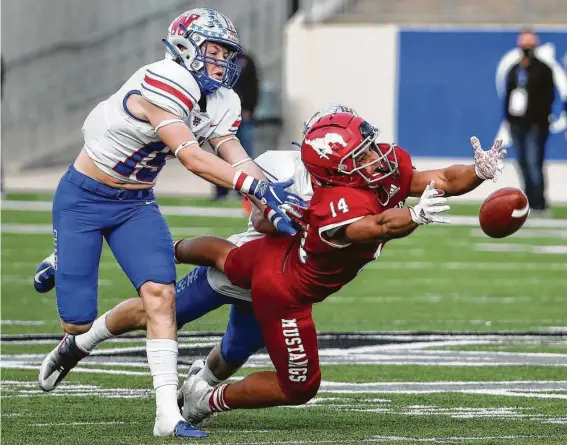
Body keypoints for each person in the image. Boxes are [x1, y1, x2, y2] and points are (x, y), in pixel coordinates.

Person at [35, 8, 306, 439]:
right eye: (213, 50)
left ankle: (167, 415)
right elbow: (191, 156)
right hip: (83, 199)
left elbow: (235, 155)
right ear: (184, 46)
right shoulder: (162, 78)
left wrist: (271, 193)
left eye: (225, 53)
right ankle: (62, 258)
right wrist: (253, 186)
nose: (221, 61)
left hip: (135, 202)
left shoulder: (222, 99)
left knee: (160, 297)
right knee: (77, 321)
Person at [174, 112, 507, 425]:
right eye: (360, 157)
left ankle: (172, 250)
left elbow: (442, 179)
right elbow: (377, 225)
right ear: (335, 172)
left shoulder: (380, 167)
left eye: (369, 147)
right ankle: (205, 401)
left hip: (276, 253)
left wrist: (477, 173)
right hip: (284, 290)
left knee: (226, 258)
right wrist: (415, 216)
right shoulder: (333, 205)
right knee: (299, 387)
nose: (375, 157)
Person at [504, 28, 556, 216]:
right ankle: (528, 200)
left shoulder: (543, 69)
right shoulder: (515, 69)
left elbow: (549, 97)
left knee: (535, 162)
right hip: (518, 124)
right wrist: (509, 120)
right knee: (523, 163)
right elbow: (508, 95)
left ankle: (539, 203)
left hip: (536, 124)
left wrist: (540, 118)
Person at [215, 51, 260, 200]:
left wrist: (250, 109)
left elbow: (254, 85)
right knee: (222, 152)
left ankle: (245, 191)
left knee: (243, 153)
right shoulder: (218, 60)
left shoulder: (246, 60)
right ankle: (221, 191)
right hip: (223, 114)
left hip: (243, 113)